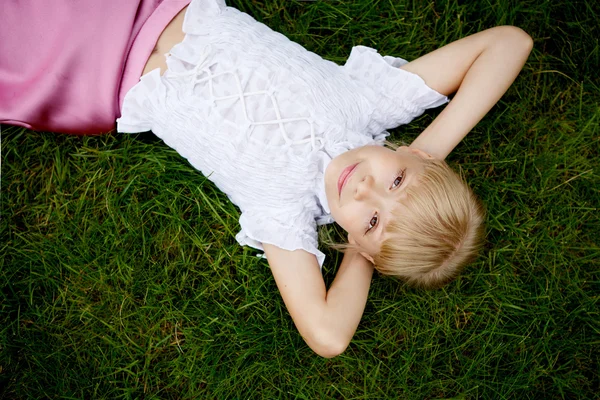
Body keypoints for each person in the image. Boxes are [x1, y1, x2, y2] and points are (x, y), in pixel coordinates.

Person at [0, 0, 533, 358]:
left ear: (358, 240)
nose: (363, 187)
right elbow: (508, 43)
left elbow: (328, 336)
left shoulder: (285, 212)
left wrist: (361, 251)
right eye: (397, 182)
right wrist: (429, 150)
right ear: (411, 158)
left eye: (372, 219)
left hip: (90, 69)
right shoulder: (372, 104)